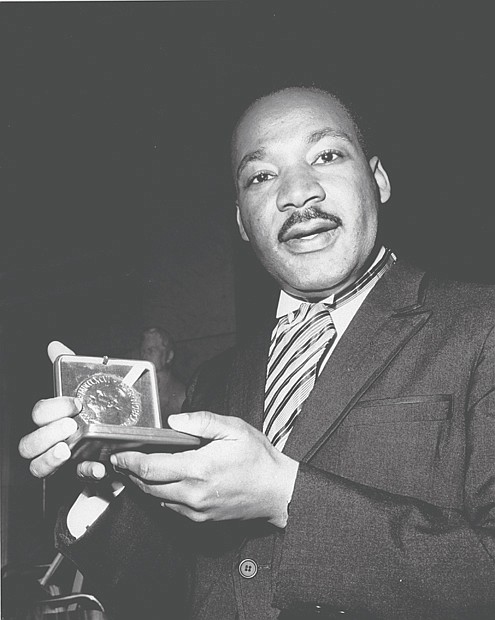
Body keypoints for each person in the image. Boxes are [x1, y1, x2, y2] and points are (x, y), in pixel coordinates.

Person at [18, 86, 495, 619]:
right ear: (243, 221)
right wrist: (111, 485)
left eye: (327, 156)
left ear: (378, 179)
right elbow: (180, 592)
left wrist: (287, 497)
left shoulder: (480, 327)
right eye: (261, 176)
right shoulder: (218, 380)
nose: (297, 192)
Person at [139, 326, 186, 416]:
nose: (144, 355)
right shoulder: (138, 390)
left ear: (169, 356)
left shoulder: (182, 396)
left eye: (151, 350)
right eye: (143, 351)